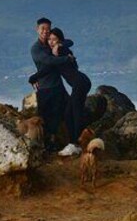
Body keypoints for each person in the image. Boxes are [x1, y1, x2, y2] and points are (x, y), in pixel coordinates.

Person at [33, 27, 92, 156]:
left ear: (59, 40)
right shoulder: (55, 53)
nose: (51, 42)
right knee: (68, 114)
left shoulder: (61, 50)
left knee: (75, 113)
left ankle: (74, 144)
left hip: (80, 83)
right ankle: (77, 143)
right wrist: (33, 78)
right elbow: (48, 69)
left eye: (54, 39)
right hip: (80, 83)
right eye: (50, 39)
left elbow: (69, 42)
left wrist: (60, 45)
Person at [29, 17, 72, 152]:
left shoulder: (51, 42)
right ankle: (46, 147)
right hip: (45, 88)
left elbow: (69, 41)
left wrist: (58, 45)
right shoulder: (36, 48)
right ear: (37, 29)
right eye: (43, 28)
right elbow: (48, 61)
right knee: (45, 118)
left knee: (64, 113)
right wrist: (66, 58)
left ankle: (65, 142)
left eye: (48, 29)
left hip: (58, 86)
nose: (45, 31)